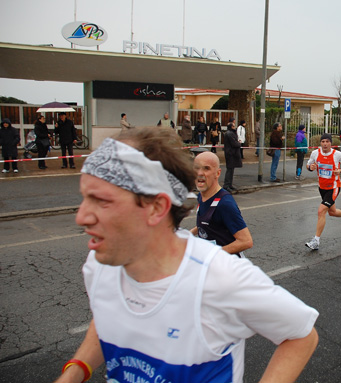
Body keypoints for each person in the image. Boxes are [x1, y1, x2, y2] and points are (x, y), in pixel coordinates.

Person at [55, 128, 318, 383]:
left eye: (102, 201)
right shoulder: (99, 264)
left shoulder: (220, 278)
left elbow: (301, 335)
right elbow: (107, 315)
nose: (81, 217)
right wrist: (76, 371)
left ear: (157, 207)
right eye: (84, 198)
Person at [189, 151, 252, 255]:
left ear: (218, 173)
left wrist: (213, 255)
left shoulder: (225, 204)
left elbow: (246, 241)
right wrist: (190, 234)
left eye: (206, 168)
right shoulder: (201, 196)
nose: (200, 173)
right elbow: (210, 224)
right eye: (196, 168)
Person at [305, 133, 341, 251]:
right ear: (320, 143)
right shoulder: (315, 153)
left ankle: (316, 240)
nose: (325, 144)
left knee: (321, 211)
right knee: (332, 212)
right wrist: (310, 167)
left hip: (334, 187)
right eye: (323, 142)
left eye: (327, 141)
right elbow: (308, 164)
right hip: (321, 187)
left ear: (331, 143)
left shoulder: (337, 154)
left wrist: (340, 170)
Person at [222, 122, 242, 192]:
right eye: (233, 126)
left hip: (231, 153)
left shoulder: (231, 133)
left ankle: (229, 184)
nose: (235, 127)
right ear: (231, 127)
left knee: (231, 170)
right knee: (229, 169)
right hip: (230, 153)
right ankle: (226, 185)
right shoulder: (229, 134)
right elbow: (234, 143)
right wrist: (239, 143)